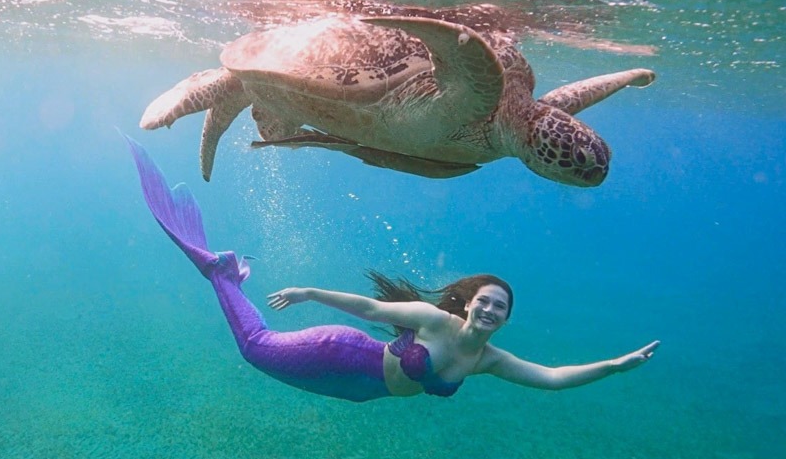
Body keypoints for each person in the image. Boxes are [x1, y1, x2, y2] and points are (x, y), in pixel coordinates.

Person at [128, 136, 659, 403]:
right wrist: (311, 291)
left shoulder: (488, 360)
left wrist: (613, 366)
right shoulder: (433, 321)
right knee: (254, 348)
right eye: (487, 300)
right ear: (469, 303)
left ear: (503, 319)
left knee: (264, 359)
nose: (492, 309)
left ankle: (228, 276)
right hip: (337, 351)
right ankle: (218, 270)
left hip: (361, 393)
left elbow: (551, 378)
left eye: (502, 307)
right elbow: (370, 308)